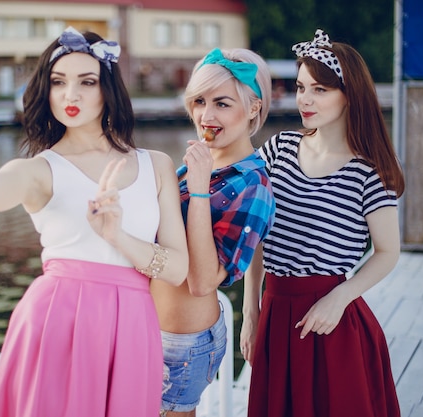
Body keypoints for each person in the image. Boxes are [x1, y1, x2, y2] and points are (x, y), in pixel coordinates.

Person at [0, 26, 189, 417]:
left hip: (133, 326)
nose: (70, 95)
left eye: (86, 82)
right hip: (59, 319)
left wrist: (117, 236)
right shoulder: (40, 170)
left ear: (108, 89)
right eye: (58, 82)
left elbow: (177, 270)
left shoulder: (156, 164)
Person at [241, 29, 404, 417]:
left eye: (320, 90)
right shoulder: (278, 149)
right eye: (300, 87)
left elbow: (387, 253)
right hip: (275, 310)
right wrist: (251, 313)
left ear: (349, 95)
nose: (305, 99)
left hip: (331, 318)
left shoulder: (370, 172)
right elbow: (256, 237)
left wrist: (339, 297)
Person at [150, 48, 275, 416]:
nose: (206, 116)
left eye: (222, 103)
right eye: (199, 101)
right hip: (147, 327)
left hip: (184, 344)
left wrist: (201, 190)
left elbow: (204, 281)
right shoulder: (198, 164)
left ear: (253, 108)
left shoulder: (253, 185)